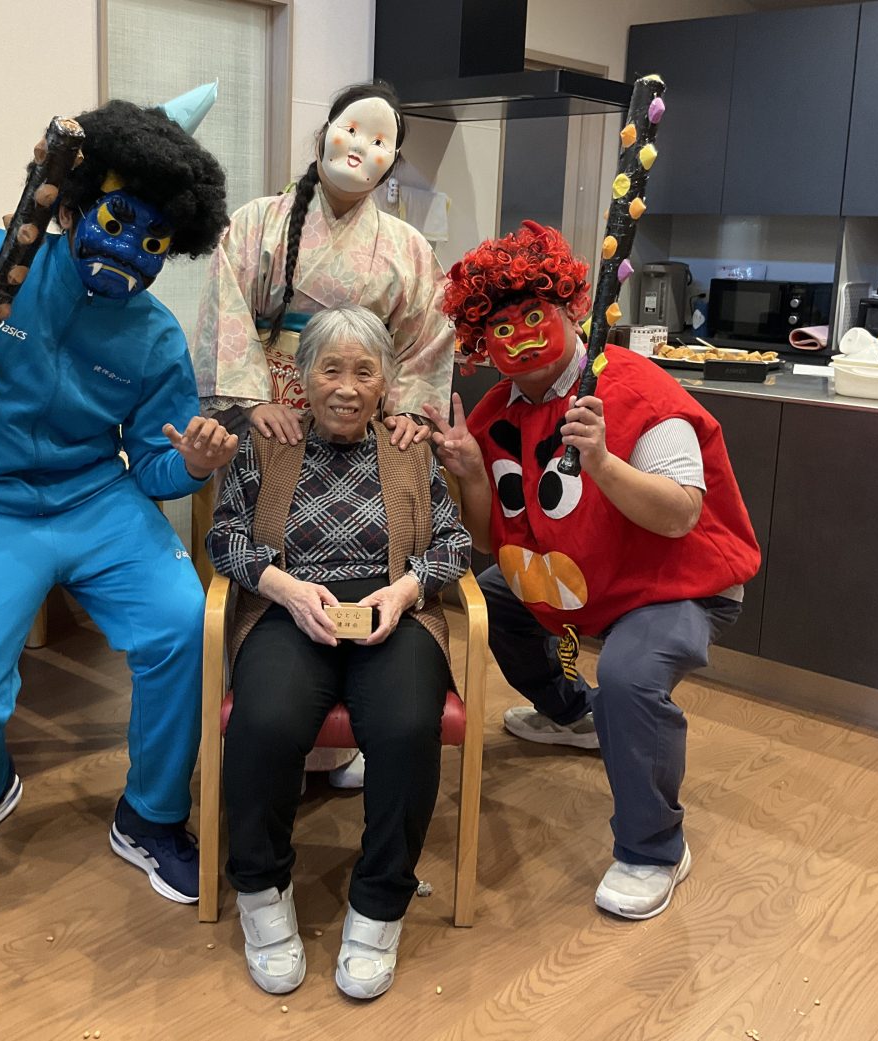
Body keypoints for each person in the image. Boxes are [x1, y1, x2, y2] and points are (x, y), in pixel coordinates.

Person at [0, 98, 236, 905]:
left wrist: (193, 465)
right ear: (76, 203)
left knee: (183, 625)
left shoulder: (156, 335)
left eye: (155, 241)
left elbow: (152, 467)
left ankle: (152, 813)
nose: (129, 248)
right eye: (117, 219)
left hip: (96, 498)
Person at [425, 221, 760, 921]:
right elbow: (489, 542)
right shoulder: (495, 413)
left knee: (631, 678)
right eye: (500, 328)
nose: (519, 338)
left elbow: (680, 516)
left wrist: (603, 462)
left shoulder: (636, 389)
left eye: (532, 316)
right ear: (480, 340)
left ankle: (653, 848)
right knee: (494, 600)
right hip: (576, 575)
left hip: (671, 581)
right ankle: (571, 714)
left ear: (568, 307)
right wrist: (471, 473)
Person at [193, 79, 456, 789]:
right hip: (272, 413)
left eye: (380, 141)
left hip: (361, 413)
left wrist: (404, 411)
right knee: (263, 556)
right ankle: (267, 737)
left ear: (392, 159)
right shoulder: (258, 223)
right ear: (324, 135)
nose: (361, 148)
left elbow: (425, 338)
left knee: (369, 547)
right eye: (351, 130)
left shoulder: (406, 247)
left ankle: (344, 745)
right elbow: (225, 313)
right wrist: (253, 403)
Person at [206, 305, 470, 999]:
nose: (347, 388)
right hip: (289, 608)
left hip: (393, 612)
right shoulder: (269, 442)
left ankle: (379, 905)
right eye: (331, 369)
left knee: (407, 724)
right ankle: (262, 892)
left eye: (364, 371)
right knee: (266, 721)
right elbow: (225, 537)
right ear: (303, 375)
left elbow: (454, 543)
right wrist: (286, 589)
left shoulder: (411, 447)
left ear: (385, 383)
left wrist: (407, 590)